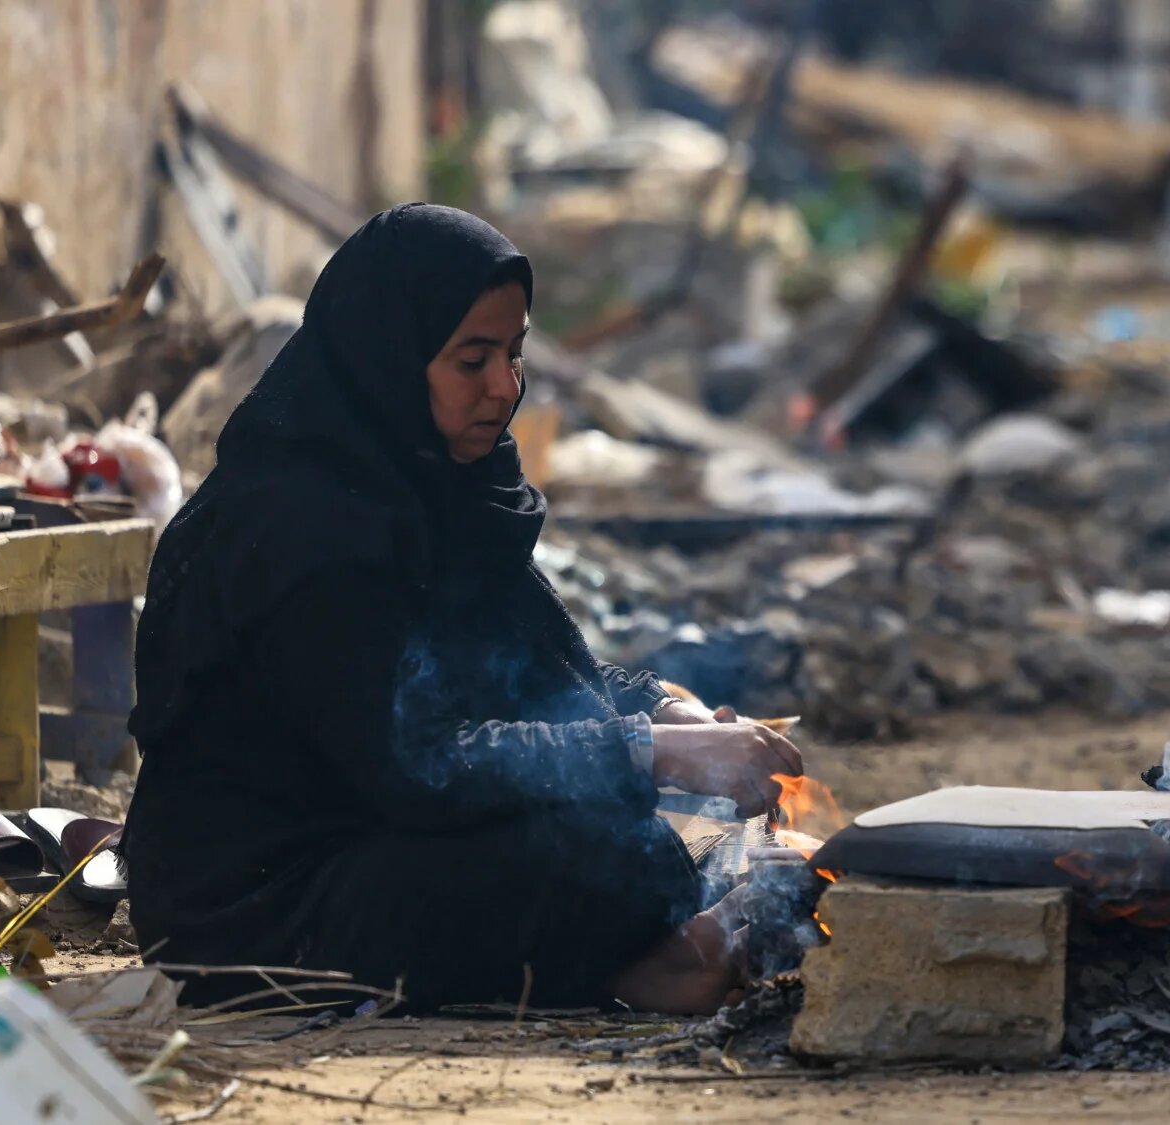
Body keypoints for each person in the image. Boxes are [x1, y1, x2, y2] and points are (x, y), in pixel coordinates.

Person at [123, 204, 802, 1014]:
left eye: (514, 355)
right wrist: (653, 752)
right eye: (471, 360)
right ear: (390, 358)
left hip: (373, 832)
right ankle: (655, 965)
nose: (503, 389)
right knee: (587, 851)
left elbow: (518, 677)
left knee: (626, 844)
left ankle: (635, 952)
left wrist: (664, 707)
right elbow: (420, 764)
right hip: (258, 914)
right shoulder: (304, 533)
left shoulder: (434, 481)